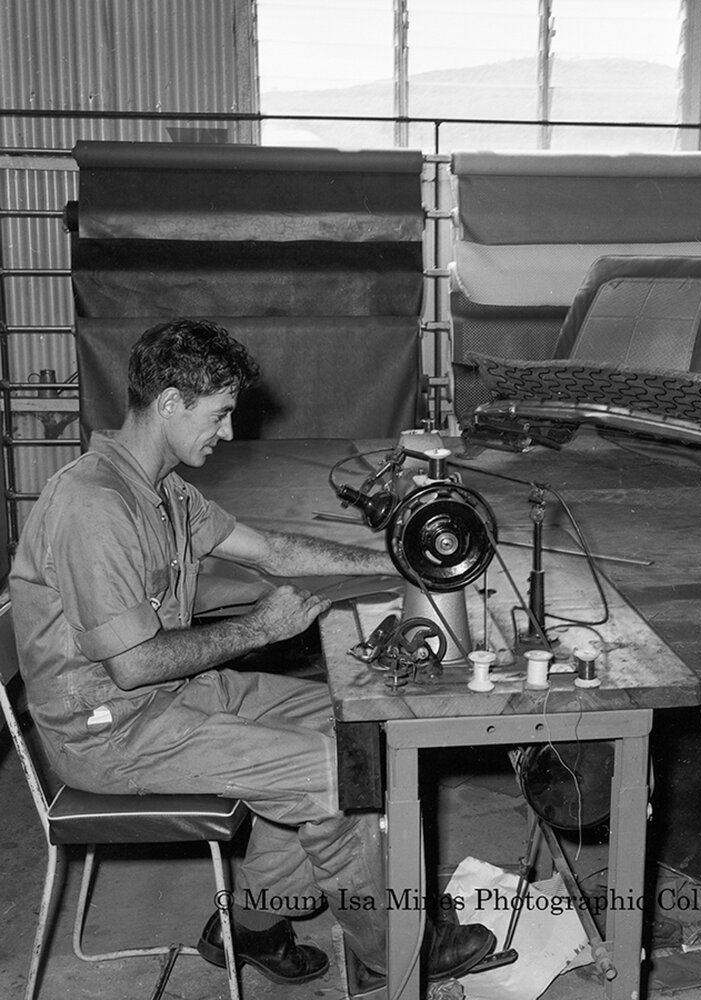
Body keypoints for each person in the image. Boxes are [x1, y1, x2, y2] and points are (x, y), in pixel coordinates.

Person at [9, 318, 495, 988]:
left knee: (357, 727)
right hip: (111, 732)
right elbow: (134, 665)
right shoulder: (95, 504)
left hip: (167, 698)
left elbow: (271, 552)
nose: (228, 432)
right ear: (172, 404)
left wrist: (401, 561)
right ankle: (401, 950)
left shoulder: (162, 493)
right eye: (220, 414)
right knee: (336, 776)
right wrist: (260, 629)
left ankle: (254, 923)